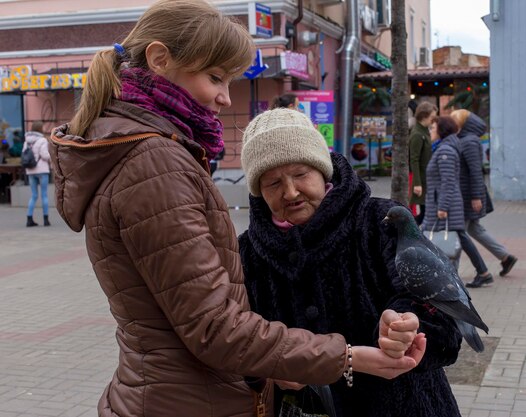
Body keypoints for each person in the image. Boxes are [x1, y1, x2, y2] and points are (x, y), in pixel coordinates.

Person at [47, 2, 425, 416]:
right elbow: (213, 328)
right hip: (186, 402)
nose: (226, 98)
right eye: (215, 78)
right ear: (160, 59)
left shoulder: (142, 151)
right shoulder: (154, 162)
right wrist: (348, 356)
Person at [239, 108, 463, 417]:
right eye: (273, 183)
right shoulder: (248, 252)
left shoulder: (381, 223)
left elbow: (445, 325)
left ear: (323, 170)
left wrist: (406, 327)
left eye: (301, 174)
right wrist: (267, 370)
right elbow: (239, 340)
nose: (290, 192)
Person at [451, 110, 517, 286]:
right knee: (474, 229)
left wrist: (475, 196)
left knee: (458, 233)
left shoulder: (469, 142)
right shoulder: (465, 140)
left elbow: (476, 172)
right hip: (466, 193)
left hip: (467, 195)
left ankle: (453, 274)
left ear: (463, 123)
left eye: (455, 121)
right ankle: (504, 257)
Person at [422, 116, 491, 281]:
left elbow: (448, 181)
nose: (430, 131)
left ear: (442, 130)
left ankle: (449, 278)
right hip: (442, 203)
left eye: (433, 128)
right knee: (459, 236)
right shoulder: (443, 148)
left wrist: (443, 207)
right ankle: (481, 272)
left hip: (444, 205)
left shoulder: (445, 151)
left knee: (443, 237)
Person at [408, 101, 437, 225]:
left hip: (426, 178)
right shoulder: (417, 134)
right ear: (424, 116)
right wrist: (417, 183)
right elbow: (414, 160)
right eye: (432, 117)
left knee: (425, 213)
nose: (434, 119)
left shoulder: (424, 132)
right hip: (422, 179)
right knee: (424, 214)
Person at [23, 121, 51, 227]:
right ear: (40, 128)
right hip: (42, 170)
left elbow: (24, 154)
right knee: (44, 195)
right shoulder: (42, 140)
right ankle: (46, 220)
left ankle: (29, 219)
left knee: (34, 195)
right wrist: (51, 155)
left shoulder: (26, 141)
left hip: (30, 171)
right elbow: (45, 155)